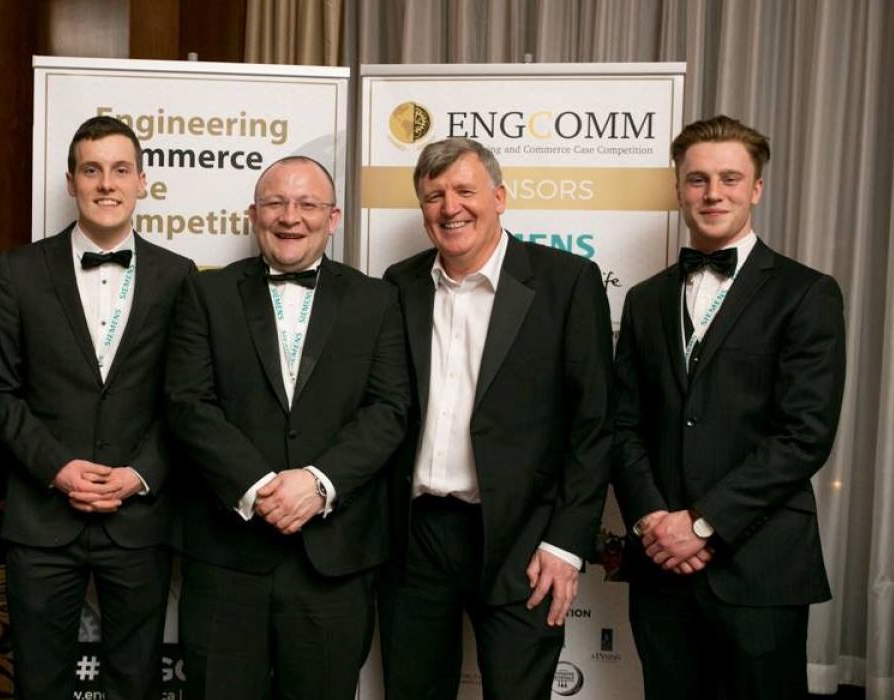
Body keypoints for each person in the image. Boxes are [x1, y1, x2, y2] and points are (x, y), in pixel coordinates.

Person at [612, 114, 846, 699]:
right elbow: (622, 425)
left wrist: (701, 524)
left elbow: (805, 435)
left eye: (730, 179)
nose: (713, 193)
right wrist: (652, 521)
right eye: (698, 180)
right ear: (678, 189)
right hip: (661, 569)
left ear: (756, 188)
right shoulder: (644, 300)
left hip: (760, 567)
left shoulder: (806, 293)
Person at [165, 156, 410, 700]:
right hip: (227, 556)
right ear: (254, 214)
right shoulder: (205, 293)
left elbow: (389, 408)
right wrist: (258, 487)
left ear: (333, 217)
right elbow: (187, 403)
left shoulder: (377, 299)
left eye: (307, 204)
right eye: (275, 203)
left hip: (333, 560)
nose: (290, 217)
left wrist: (319, 483)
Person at [379, 137, 614, 700]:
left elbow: (595, 424)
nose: (450, 208)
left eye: (465, 190)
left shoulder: (567, 281)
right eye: (434, 196)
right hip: (416, 537)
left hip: (523, 538)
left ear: (500, 198)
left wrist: (565, 543)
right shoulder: (399, 284)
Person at [0, 115, 194, 699]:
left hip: (138, 518)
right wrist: (56, 468)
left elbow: (186, 399)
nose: (106, 183)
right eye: (92, 170)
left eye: (121, 170)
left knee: (135, 681)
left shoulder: (178, 276)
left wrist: (140, 474)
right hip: (42, 518)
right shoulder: (17, 271)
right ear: (71, 182)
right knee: (39, 681)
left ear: (142, 182)